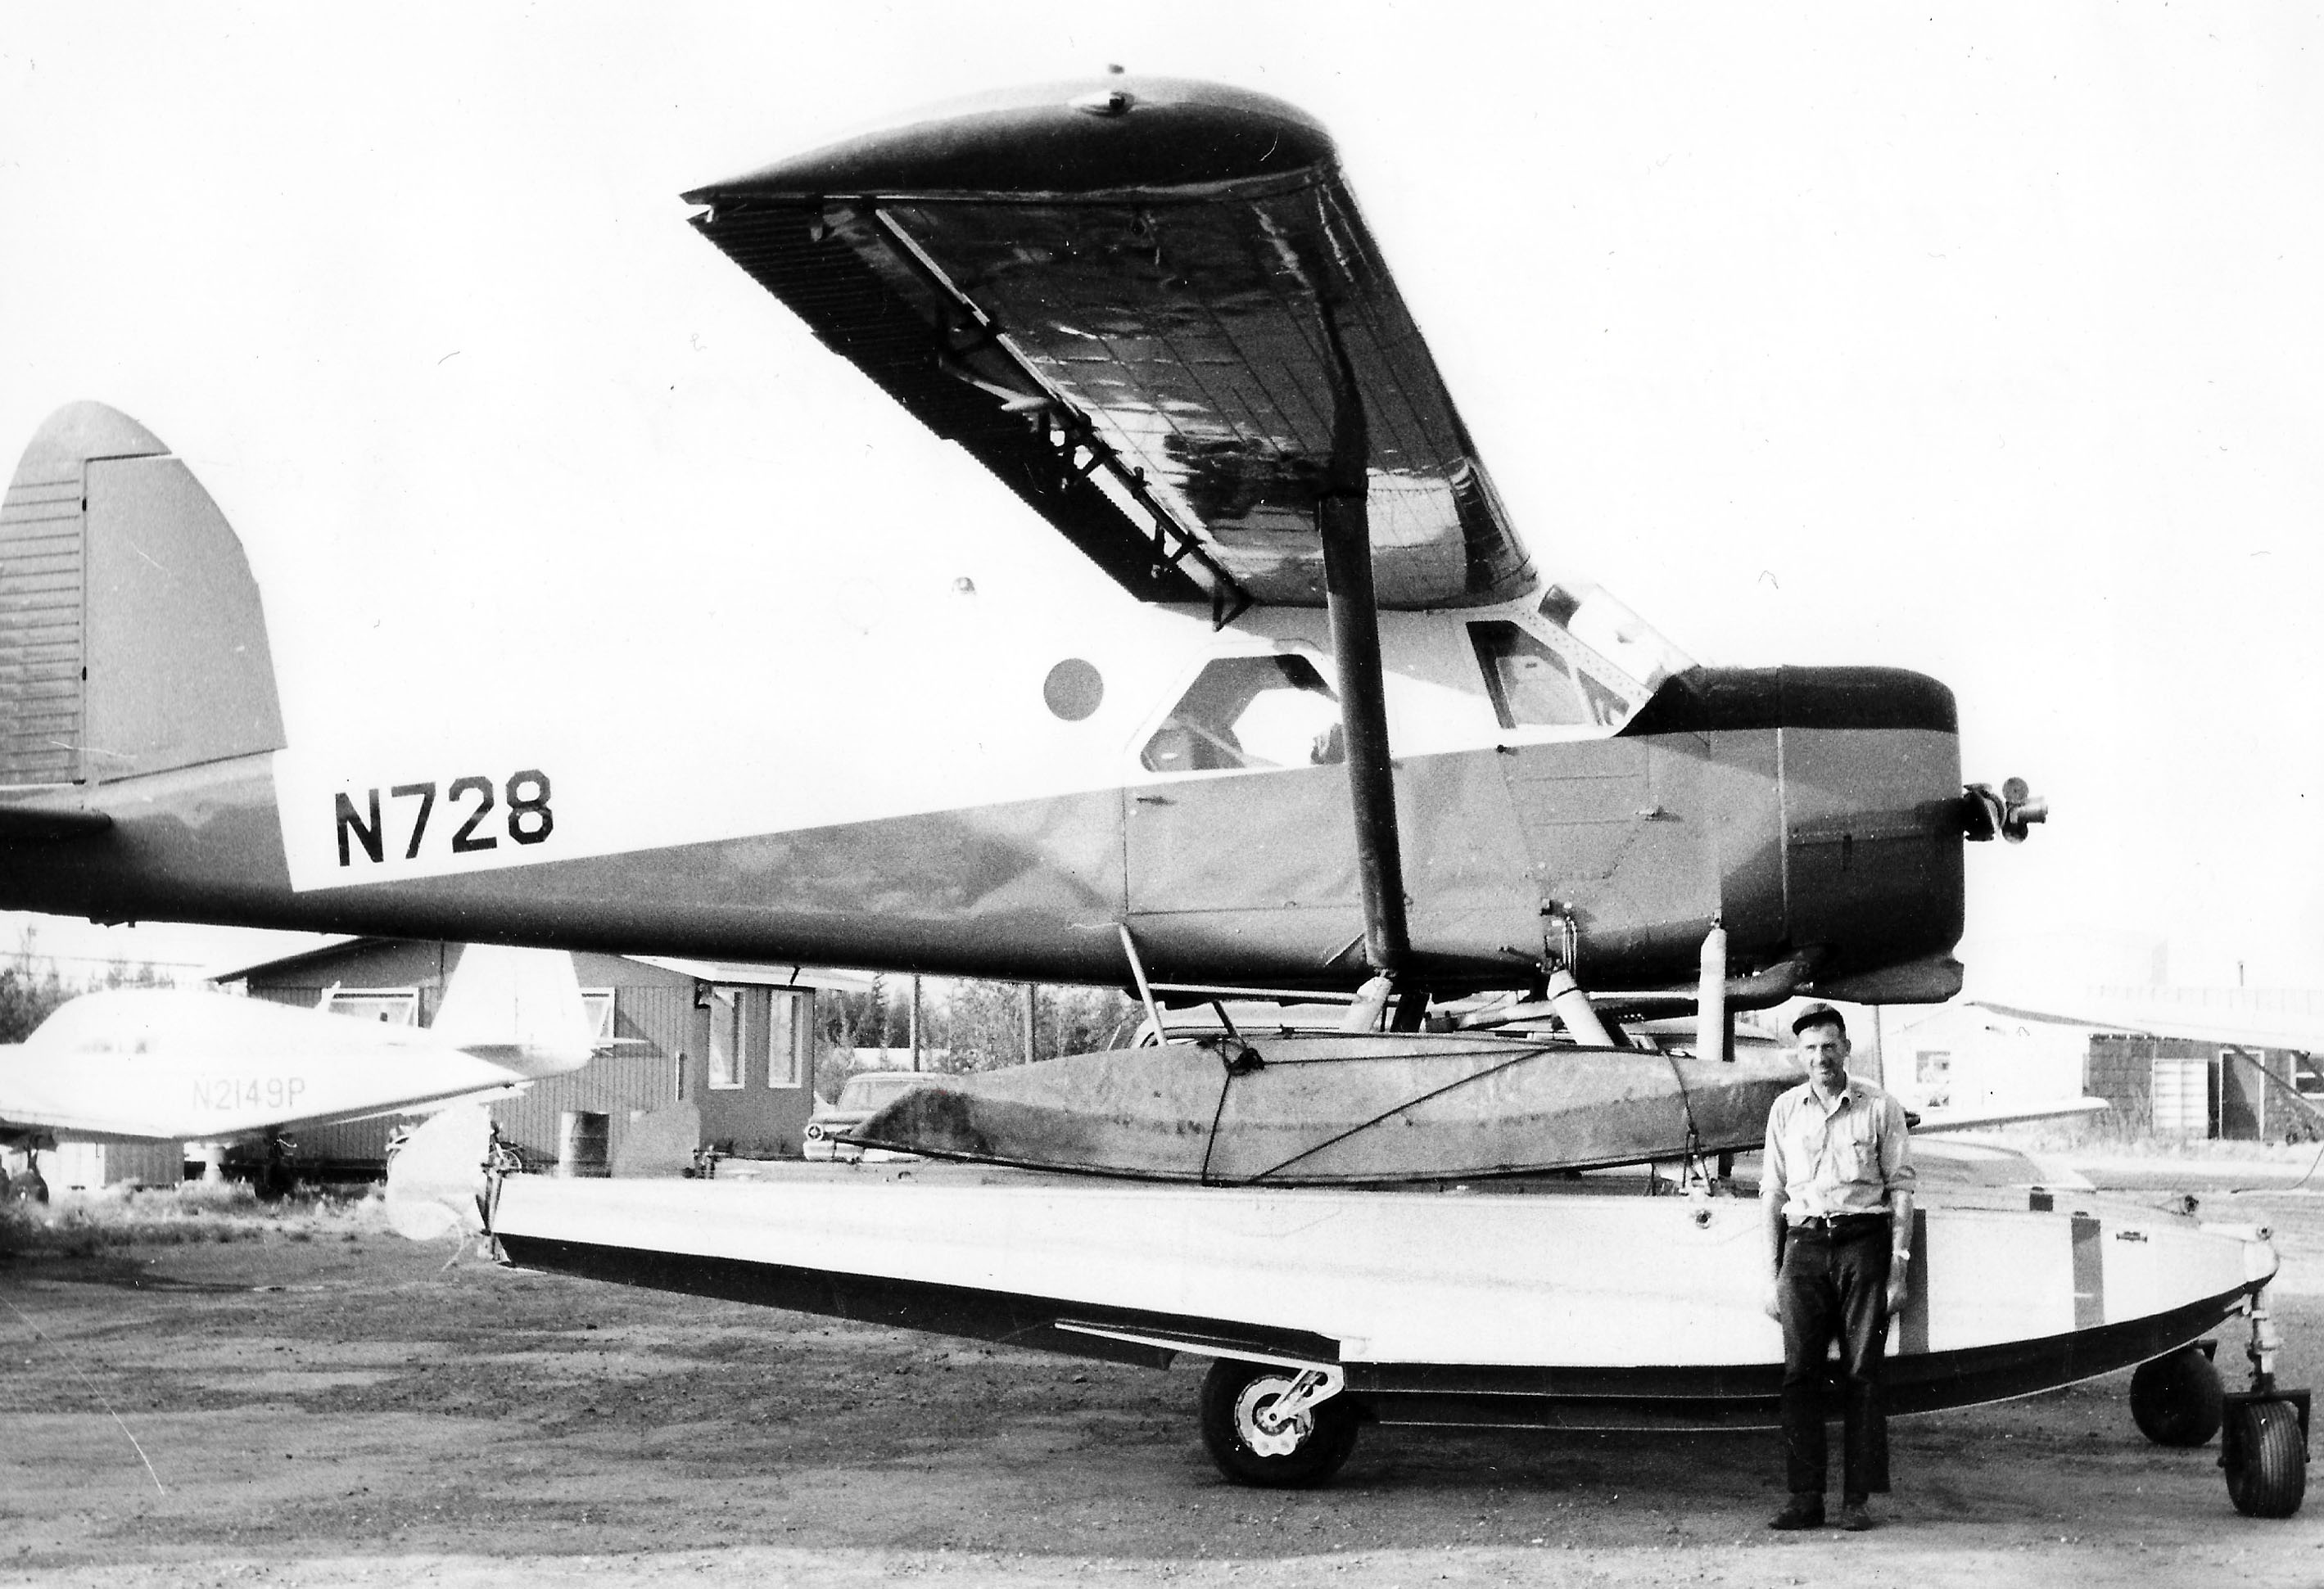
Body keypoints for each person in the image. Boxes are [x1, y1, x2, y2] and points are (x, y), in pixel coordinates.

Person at [1759, 1003, 1915, 1533]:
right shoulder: (1785, 1109)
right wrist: (1771, 1270)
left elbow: (1901, 1188)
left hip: (1862, 1245)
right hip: (1803, 1244)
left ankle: (1856, 1500)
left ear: (1847, 1048)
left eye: (1829, 1046)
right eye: (1810, 1049)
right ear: (1798, 1054)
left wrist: (1898, 1267)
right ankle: (1805, 1497)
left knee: (1862, 1374)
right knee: (1799, 1374)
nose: (1821, 1057)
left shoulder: (1880, 1107)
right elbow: (1772, 1191)